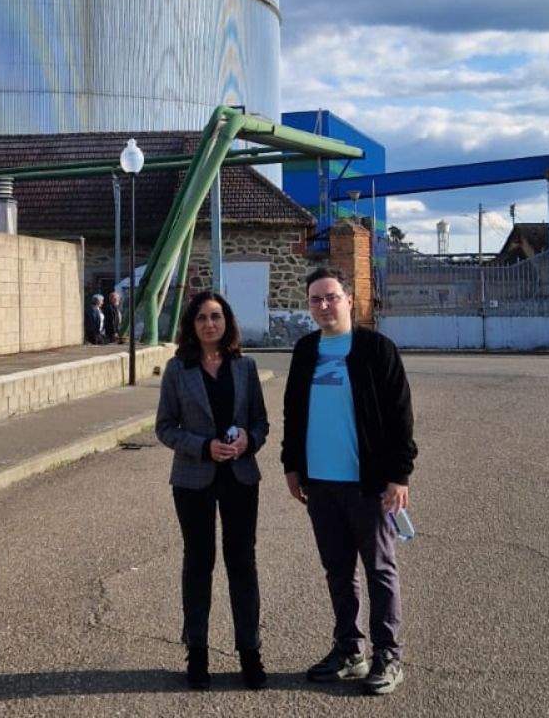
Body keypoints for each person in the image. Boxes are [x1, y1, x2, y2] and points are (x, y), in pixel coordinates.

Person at [281, 266, 416, 696]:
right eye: (316, 299)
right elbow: (292, 413)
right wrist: (291, 465)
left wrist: (399, 475)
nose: (324, 305)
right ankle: (349, 650)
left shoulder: (376, 349)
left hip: (368, 484)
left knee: (379, 571)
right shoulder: (305, 351)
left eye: (331, 297)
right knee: (337, 571)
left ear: (349, 299)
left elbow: (401, 416)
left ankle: (388, 655)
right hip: (320, 484)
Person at [154, 290, 270, 690]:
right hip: (193, 481)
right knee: (198, 564)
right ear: (192, 325)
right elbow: (165, 428)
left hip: (240, 478)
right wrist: (203, 446)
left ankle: (250, 653)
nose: (209, 324)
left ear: (227, 322)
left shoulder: (246, 366)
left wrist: (246, 443)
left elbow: (261, 424)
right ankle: (198, 653)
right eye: (202, 317)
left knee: (242, 563)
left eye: (216, 317)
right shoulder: (177, 369)